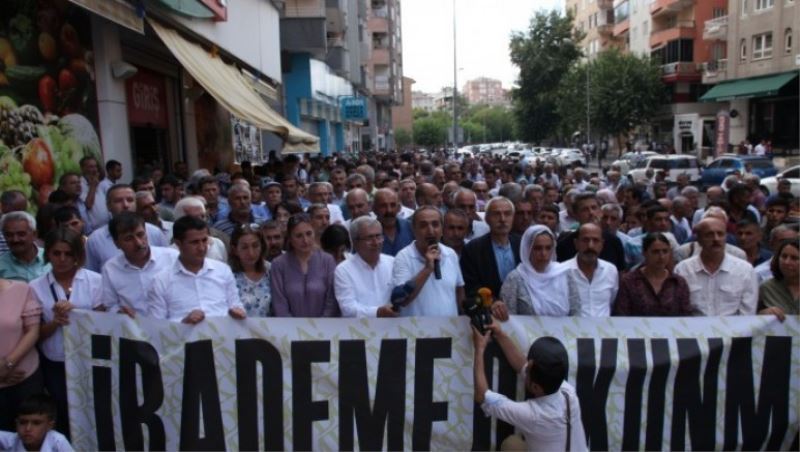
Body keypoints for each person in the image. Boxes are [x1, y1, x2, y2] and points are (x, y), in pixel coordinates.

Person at [29, 227, 103, 438]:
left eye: (68, 254)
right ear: (48, 254)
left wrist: (79, 314)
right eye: (56, 253)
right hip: (55, 362)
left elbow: (105, 324)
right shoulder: (35, 287)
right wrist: (55, 322)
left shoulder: (95, 281)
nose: (62, 259)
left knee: (93, 410)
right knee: (62, 411)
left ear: (78, 255)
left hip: (90, 359)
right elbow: (34, 334)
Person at [472, 324, 587, 452]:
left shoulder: (533, 416)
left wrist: (480, 348)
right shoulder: (569, 392)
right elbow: (521, 364)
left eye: (527, 370)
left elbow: (482, 396)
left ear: (536, 387)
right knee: (515, 444)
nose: (525, 367)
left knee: (510, 445)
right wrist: (500, 334)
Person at [147, 216, 246, 323]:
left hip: (222, 337)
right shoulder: (161, 280)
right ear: (178, 244)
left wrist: (238, 313)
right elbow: (157, 326)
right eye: (194, 242)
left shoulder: (223, 271)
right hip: (183, 339)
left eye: (204, 240)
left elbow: (236, 305)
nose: (202, 247)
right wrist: (184, 323)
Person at [674, 218, 758, 316]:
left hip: (735, 330)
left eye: (720, 234)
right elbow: (678, 310)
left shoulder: (745, 270)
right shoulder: (683, 270)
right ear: (699, 240)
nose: (716, 239)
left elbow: (747, 312)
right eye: (709, 235)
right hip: (693, 329)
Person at [391, 206, 465, 316]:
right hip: (417, 330)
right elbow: (402, 300)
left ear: (442, 229)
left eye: (435, 225)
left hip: (449, 329)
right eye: (423, 225)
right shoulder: (404, 257)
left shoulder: (450, 254)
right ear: (414, 230)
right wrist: (427, 269)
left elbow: (459, 289)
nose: (430, 231)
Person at [102, 212, 179, 317]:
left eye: (140, 235)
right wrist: (120, 313)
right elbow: (110, 305)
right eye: (129, 239)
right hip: (134, 329)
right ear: (117, 243)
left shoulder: (172, 258)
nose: (138, 243)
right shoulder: (110, 269)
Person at [85, 185, 169, 272]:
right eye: (118, 201)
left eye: (130, 200)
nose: (125, 205)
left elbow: (168, 264)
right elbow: (92, 275)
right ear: (108, 206)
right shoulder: (95, 240)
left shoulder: (154, 232)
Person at [271, 214, 339, 317]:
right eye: (299, 236)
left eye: (309, 234)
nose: (305, 240)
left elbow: (332, 300)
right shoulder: (279, 264)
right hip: (290, 329)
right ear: (290, 238)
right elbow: (279, 303)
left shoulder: (327, 261)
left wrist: (322, 326)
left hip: (325, 329)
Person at [613, 233, 693, 316]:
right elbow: (622, 314)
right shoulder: (629, 282)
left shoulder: (678, 282)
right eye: (655, 252)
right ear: (644, 253)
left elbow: (686, 315)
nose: (661, 257)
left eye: (665, 251)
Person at [0, 276, 42, 431]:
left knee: (31, 436)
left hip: (25, 379)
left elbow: (33, 331)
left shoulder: (21, 289)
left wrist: (8, 364)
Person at [501, 225, 570, 316]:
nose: (543, 253)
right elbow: (509, 317)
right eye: (538, 248)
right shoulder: (515, 279)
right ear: (528, 249)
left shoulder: (565, 274)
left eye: (548, 248)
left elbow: (576, 312)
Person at [334, 217, 396, 318]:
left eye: (378, 236)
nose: (376, 243)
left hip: (393, 329)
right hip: (359, 331)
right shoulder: (343, 270)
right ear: (355, 242)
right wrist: (378, 312)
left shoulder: (392, 262)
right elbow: (348, 309)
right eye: (369, 238)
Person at [460, 197, 520, 301]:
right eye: (496, 214)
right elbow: (471, 286)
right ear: (486, 219)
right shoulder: (473, 249)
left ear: (513, 217)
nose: (502, 219)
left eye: (507, 214)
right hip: (489, 309)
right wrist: (492, 302)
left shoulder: (522, 244)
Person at [556, 193, 626, 271]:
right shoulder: (565, 244)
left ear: (600, 212)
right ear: (576, 215)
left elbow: (619, 275)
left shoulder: (614, 242)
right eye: (585, 209)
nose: (591, 212)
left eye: (594, 208)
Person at [565, 223, 619, 317]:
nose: (590, 246)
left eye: (596, 240)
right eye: (585, 240)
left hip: (604, 330)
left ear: (602, 244)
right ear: (576, 243)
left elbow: (612, 302)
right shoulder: (563, 271)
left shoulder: (611, 270)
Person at [0, 394, 73, 452]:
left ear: (50, 425)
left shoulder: (58, 442)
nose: (28, 428)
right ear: (16, 423)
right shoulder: (10, 441)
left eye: (36, 423)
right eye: (22, 422)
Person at [230, 224, 272, 317]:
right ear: (235, 250)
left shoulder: (271, 270)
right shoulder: (227, 274)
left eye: (255, 246)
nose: (251, 253)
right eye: (244, 247)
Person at [172, 197, 228, 263]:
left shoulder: (218, 244)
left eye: (203, 216)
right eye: (195, 218)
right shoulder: (171, 252)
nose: (201, 221)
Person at [0, 212, 51, 282]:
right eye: (9, 235)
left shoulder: (51, 257)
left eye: (21, 234)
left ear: (34, 235)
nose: (15, 239)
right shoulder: (1, 264)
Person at [757, 239, 799, 319]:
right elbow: (750, 318)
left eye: (794, 258)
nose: (787, 262)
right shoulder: (767, 288)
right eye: (784, 256)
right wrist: (763, 313)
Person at [373, 189, 413, 256]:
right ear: (374, 209)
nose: (389, 210)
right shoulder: (367, 233)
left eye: (393, 205)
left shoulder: (411, 227)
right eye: (383, 206)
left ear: (399, 208)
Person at [79, 156, 109, 233]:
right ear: (83, 169)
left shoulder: (97, 181)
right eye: (91, 167)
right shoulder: (80, 184)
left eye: (95, 166)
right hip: (94, 230)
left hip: (106, 226)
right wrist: (93, 186)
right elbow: (88, 205)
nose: (95, 170)